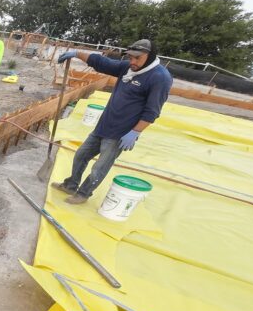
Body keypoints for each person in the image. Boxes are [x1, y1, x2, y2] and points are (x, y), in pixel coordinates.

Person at [53, 39, 173, 204]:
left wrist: (135, 132)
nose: (132, 61)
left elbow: (152, 111)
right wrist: (76, 54)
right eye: (130, 57)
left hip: (120, 133)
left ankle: (83, 194)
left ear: (150, 56)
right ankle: (71, 185)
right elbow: (103, 63)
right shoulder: (128, 68)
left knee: (99, 167)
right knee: (81, 155)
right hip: (104, 126)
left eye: (137, 58)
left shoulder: (159, 77)